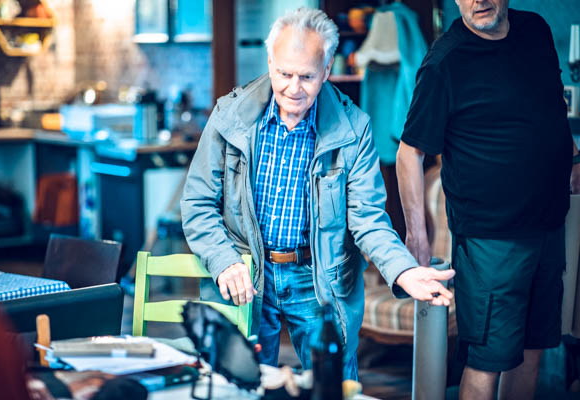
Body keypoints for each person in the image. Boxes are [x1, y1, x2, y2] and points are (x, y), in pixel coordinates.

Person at [180, 7, 454, 380]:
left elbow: (368, 219)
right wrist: (224, 260)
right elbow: (198, 203)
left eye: (307, 76)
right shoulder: (230, 116)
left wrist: (402, 269)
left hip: (318, 278)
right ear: (270, 63)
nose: (294, 88)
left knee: (334, 385)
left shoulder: (354, 129)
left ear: (326, 71)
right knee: (238, 385)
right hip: (246, 271)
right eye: (284, 74)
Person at [396, 1, 580, 399]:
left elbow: (552, 108)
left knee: (532, 351)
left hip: (549, 224)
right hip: (490, 242)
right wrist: (417, 236)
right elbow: (409, 152)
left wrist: (574, 158)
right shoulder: (445, 62)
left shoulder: (536, 31)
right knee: (487, 363)